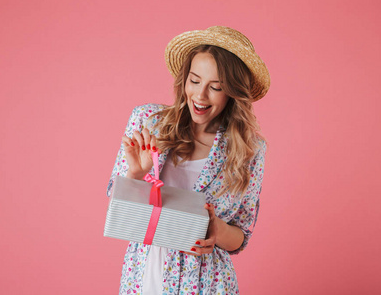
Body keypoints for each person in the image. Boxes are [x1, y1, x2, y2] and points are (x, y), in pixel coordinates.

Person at [106, 26, 270, 295]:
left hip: (207, 283)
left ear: (232, 93)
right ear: (184, 79)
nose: (201, 96)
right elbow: (120, 213)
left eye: (215, 87)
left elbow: (241, 235)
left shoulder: (249, 149)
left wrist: (216, 230)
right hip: (144, 275)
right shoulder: (148, 122)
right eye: (195, 81)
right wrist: (136, 175)